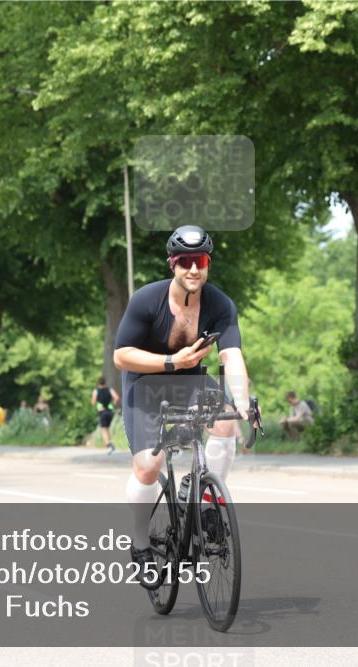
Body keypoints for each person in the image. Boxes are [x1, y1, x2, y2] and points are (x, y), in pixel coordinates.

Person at [113, 225, 251, 585]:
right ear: (173, 264)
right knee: (148, 466)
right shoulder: (147, 299)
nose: (194, 269)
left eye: (200, 261)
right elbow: (121, 356)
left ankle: (206, 499)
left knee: (225, 422)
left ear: (208, 264)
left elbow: (232, 355)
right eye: (186, 261)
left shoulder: (220, 304)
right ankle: (140, 542)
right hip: (144, 384)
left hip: (189, 383)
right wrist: (173, 361)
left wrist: (240, 400)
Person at [91, 376, 121, 453]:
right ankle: (110, 444)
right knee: (108, 428)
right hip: (110, 411)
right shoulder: (109, 389)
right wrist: (112, 403)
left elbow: (93, 402)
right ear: (105, 382)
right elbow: (117, 398)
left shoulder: (96, 391)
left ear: (98, 383)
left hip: (102, 411)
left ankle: (109, 445)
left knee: (104, 429)